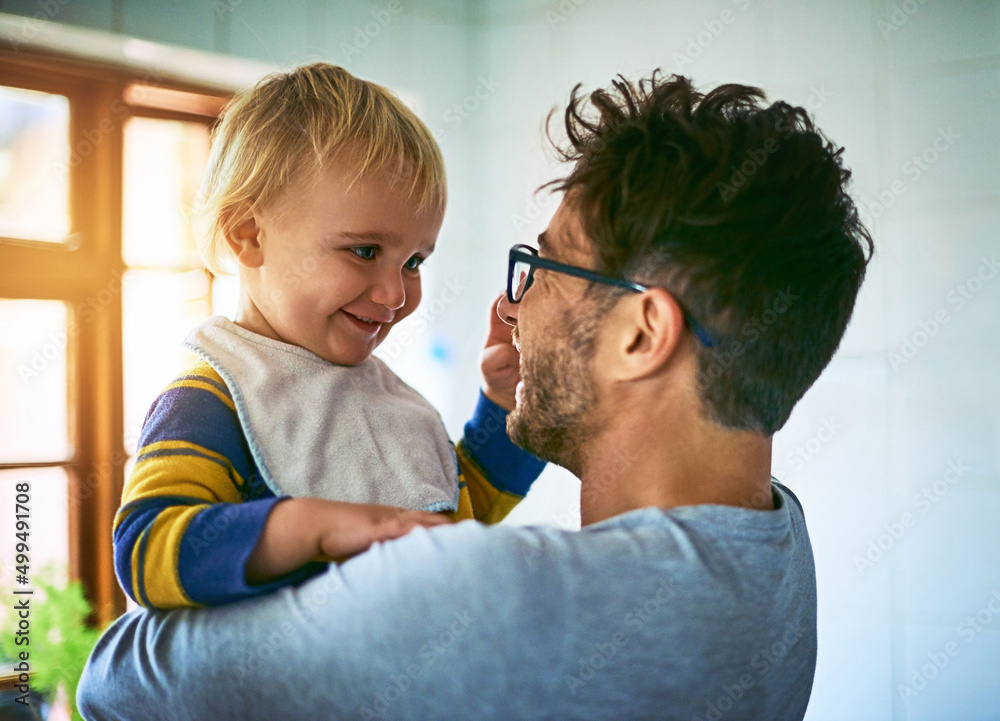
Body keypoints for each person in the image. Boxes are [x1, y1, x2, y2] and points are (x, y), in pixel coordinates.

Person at [79, 71, 872, 720]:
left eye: (548, 266)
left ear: (640, 333)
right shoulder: (777, 551)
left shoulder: (467, 602)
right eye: (364, 250)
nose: (513, 307)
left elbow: (112, 676)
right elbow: (151, 538)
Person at [113, 62, 543, 610]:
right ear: (249, 237)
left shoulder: (385, 399)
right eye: (364, 251)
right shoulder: (216, 396)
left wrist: (504, 405)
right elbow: (147, 549)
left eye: (413, 261)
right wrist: (309, 527)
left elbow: (461, 509)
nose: (394, 294)